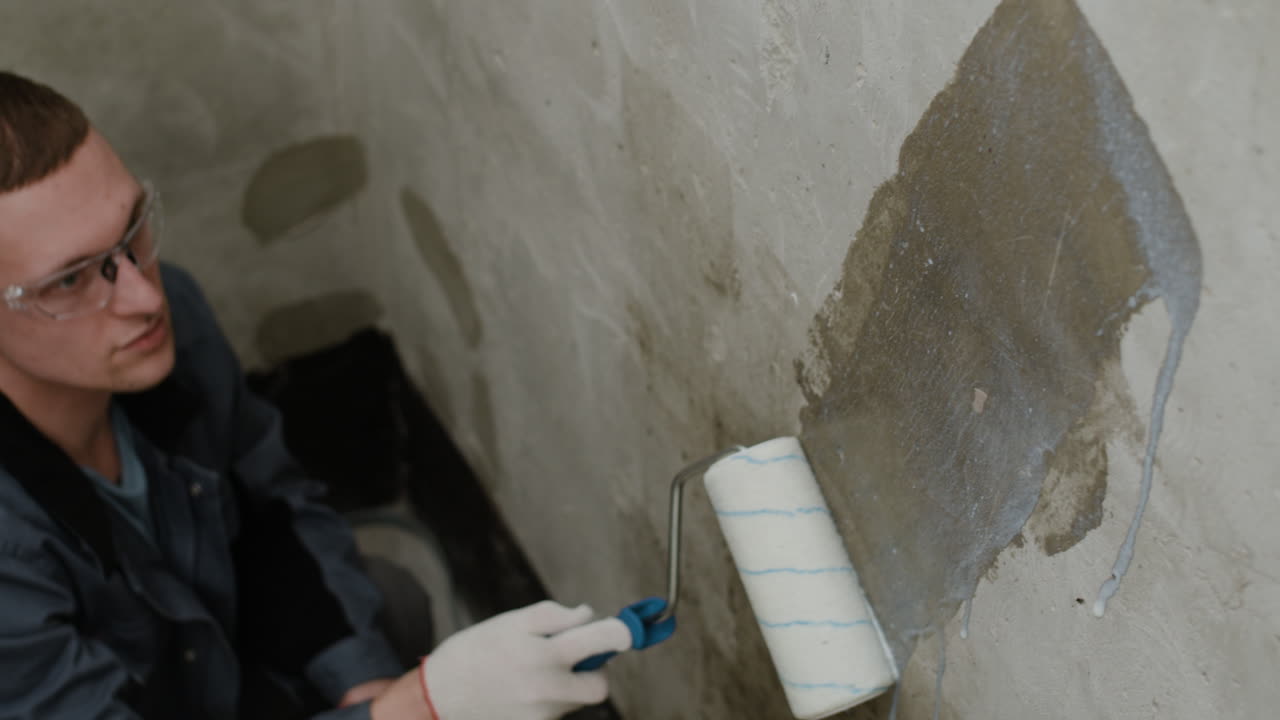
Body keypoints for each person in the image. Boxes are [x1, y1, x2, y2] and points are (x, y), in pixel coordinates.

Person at [0, 71, 631, 720]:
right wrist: (416, 708)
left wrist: (368, 689)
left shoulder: (166, 327)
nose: (143, 296)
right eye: (70, 280)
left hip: (220, 671)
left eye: (134, 229)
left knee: (391, 603)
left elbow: (274, 510)